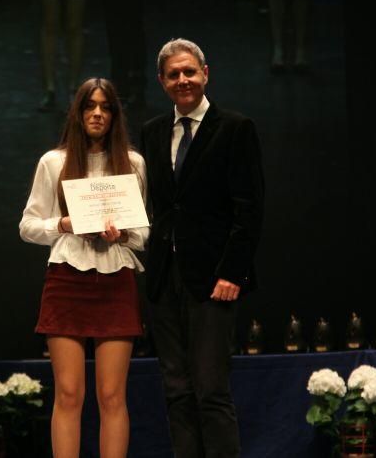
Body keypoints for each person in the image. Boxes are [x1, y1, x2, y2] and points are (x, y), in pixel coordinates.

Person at [140, 38, 264, 457]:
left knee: (211, 389)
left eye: (189, 71)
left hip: (214, 278)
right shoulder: (153, 132)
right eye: (173, 74)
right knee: (176, 390)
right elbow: (159, 206)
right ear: (162, 81)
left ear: (205, 74)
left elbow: (249, 209)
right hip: (164, 279)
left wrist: (233, 272)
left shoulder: (234, 128)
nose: (183, 80)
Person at [20, 77, 148, 457]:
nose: (97, 114)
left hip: (114, 280)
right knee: (70, 393)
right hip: (66, 279)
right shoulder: (53, 162)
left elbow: (143, 234)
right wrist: (62, 224)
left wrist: (121, 235)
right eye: (89, 106)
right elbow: (27, 226)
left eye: (105, 107)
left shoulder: (133, 163)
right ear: (77, 113)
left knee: (111, 395)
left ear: (114, 115)